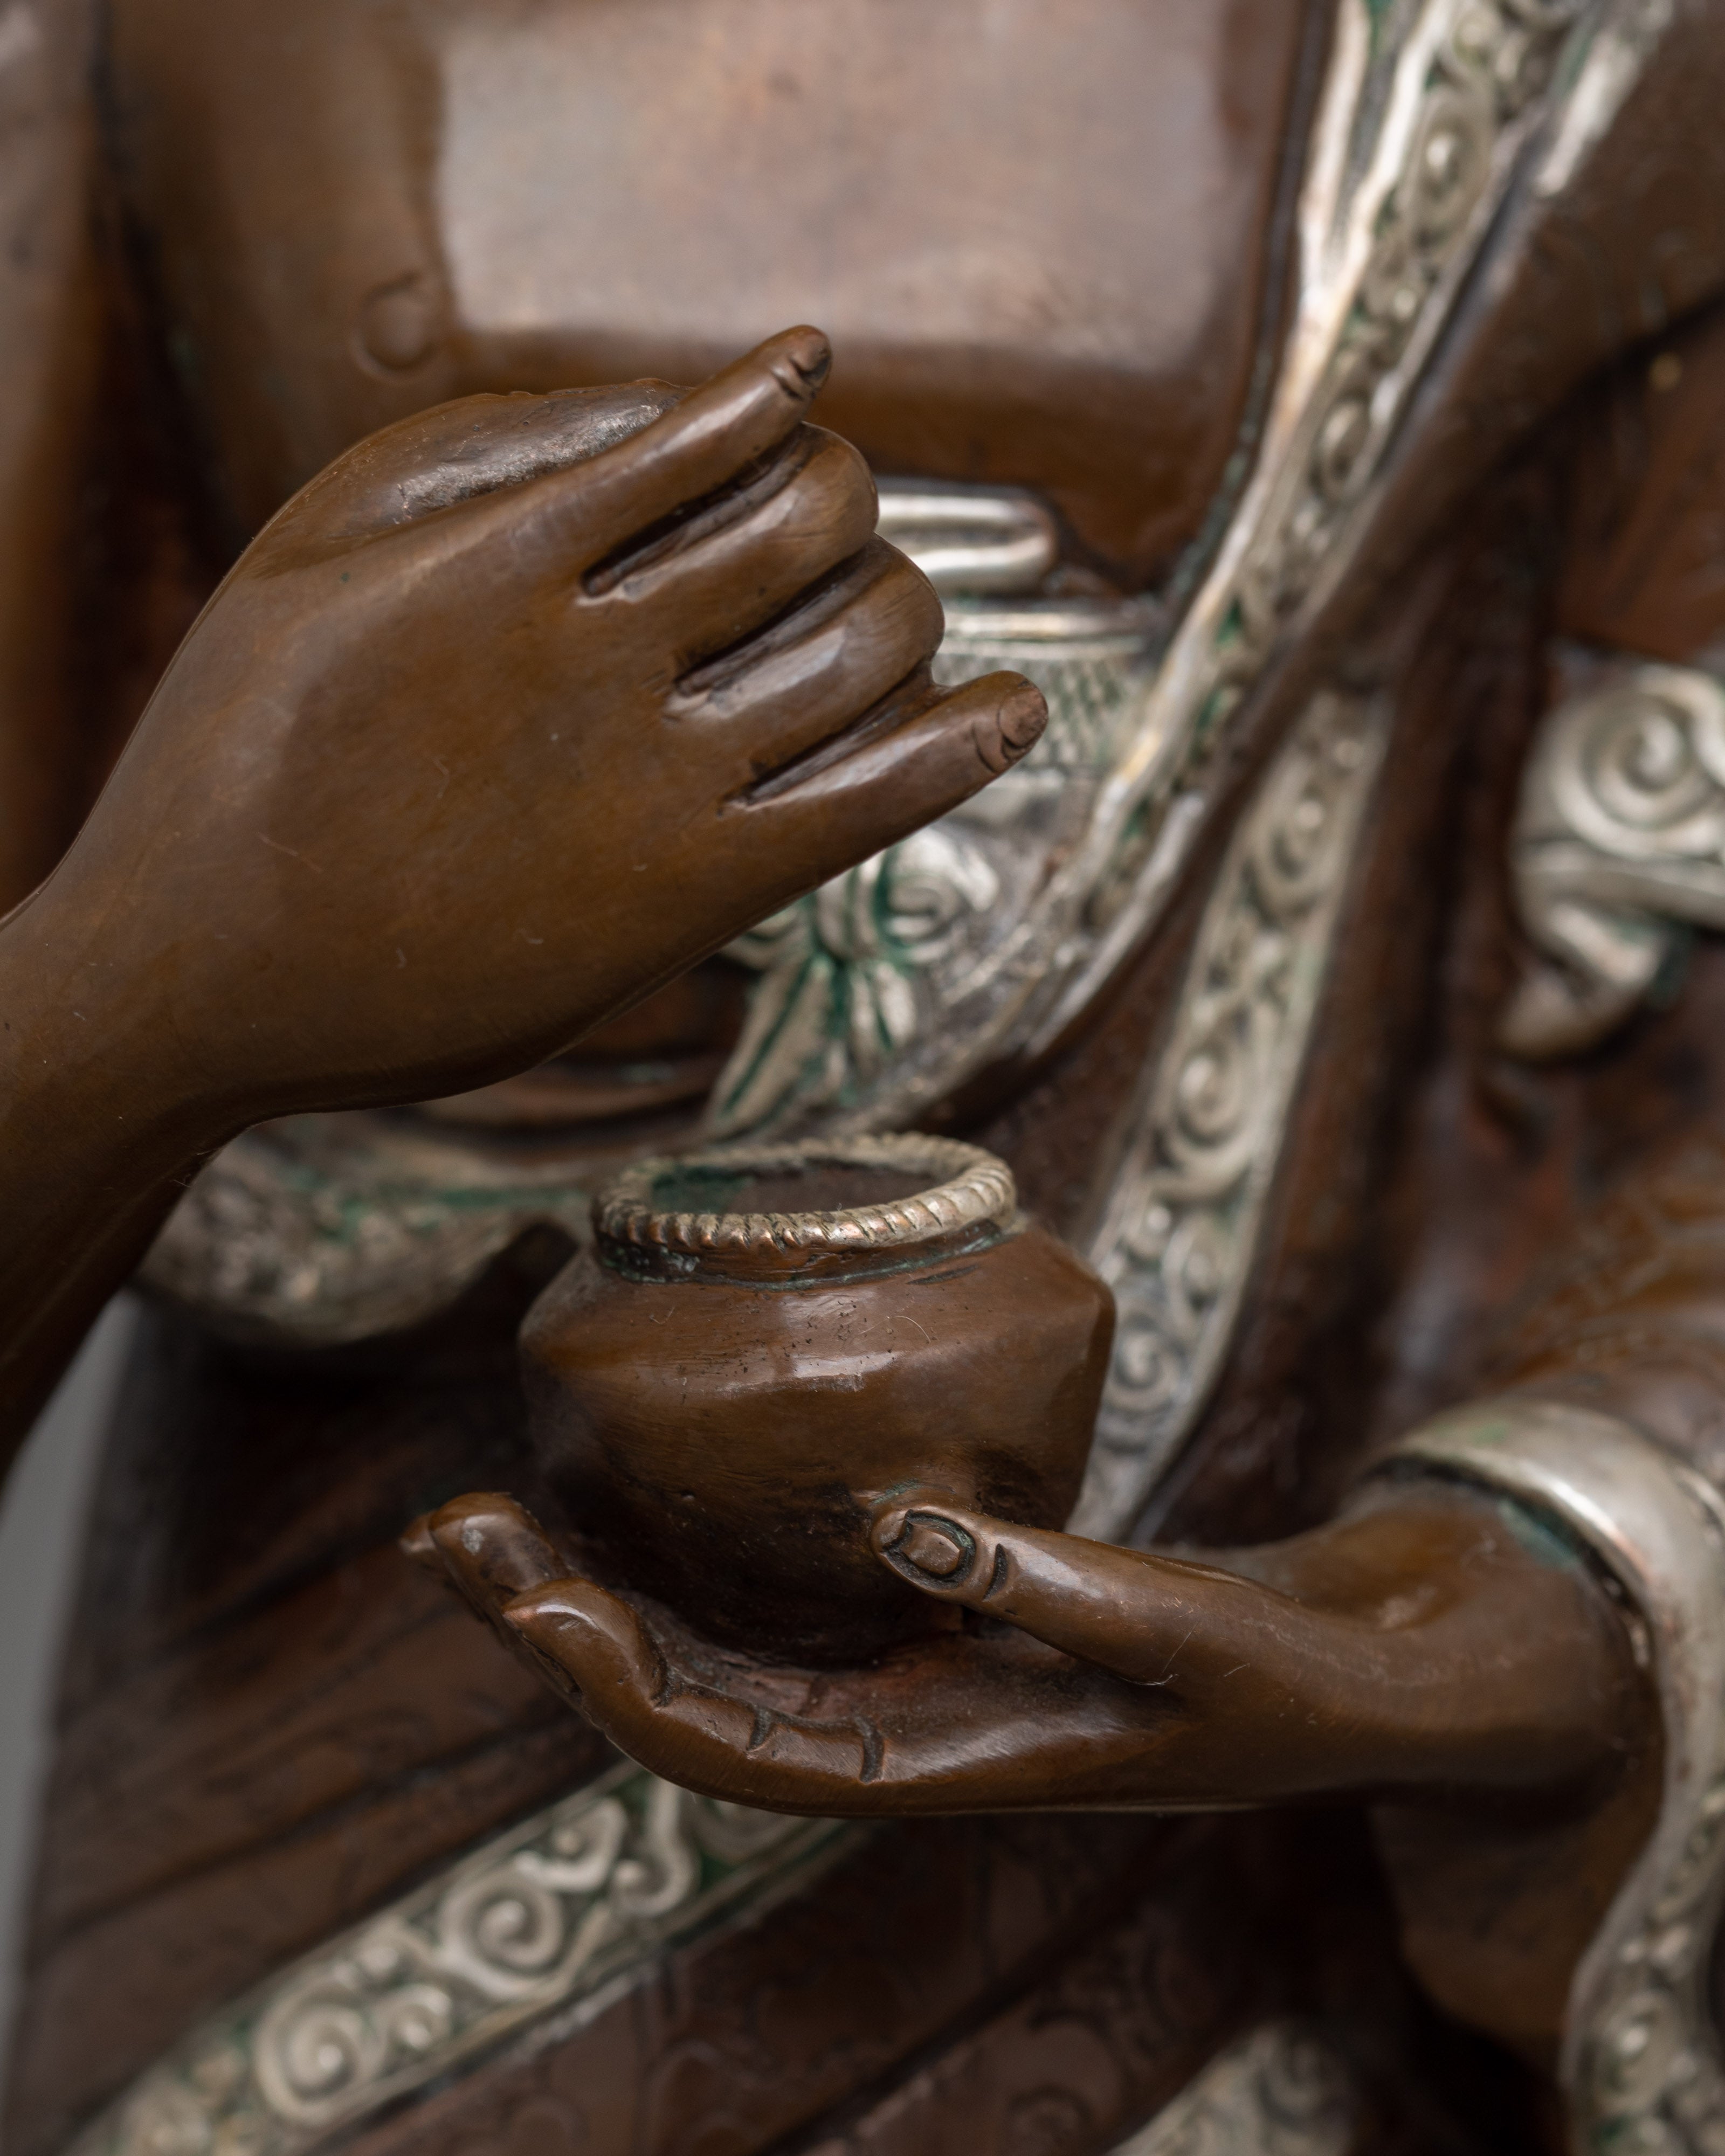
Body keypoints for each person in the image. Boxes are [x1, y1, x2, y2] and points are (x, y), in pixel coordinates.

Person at [8, 4, 1725, 2152]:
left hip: (1203, 1954)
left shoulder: (1567, 56)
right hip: (310, 1862)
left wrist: (1444, 1620)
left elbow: (1662, 1098)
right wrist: (168, 974)